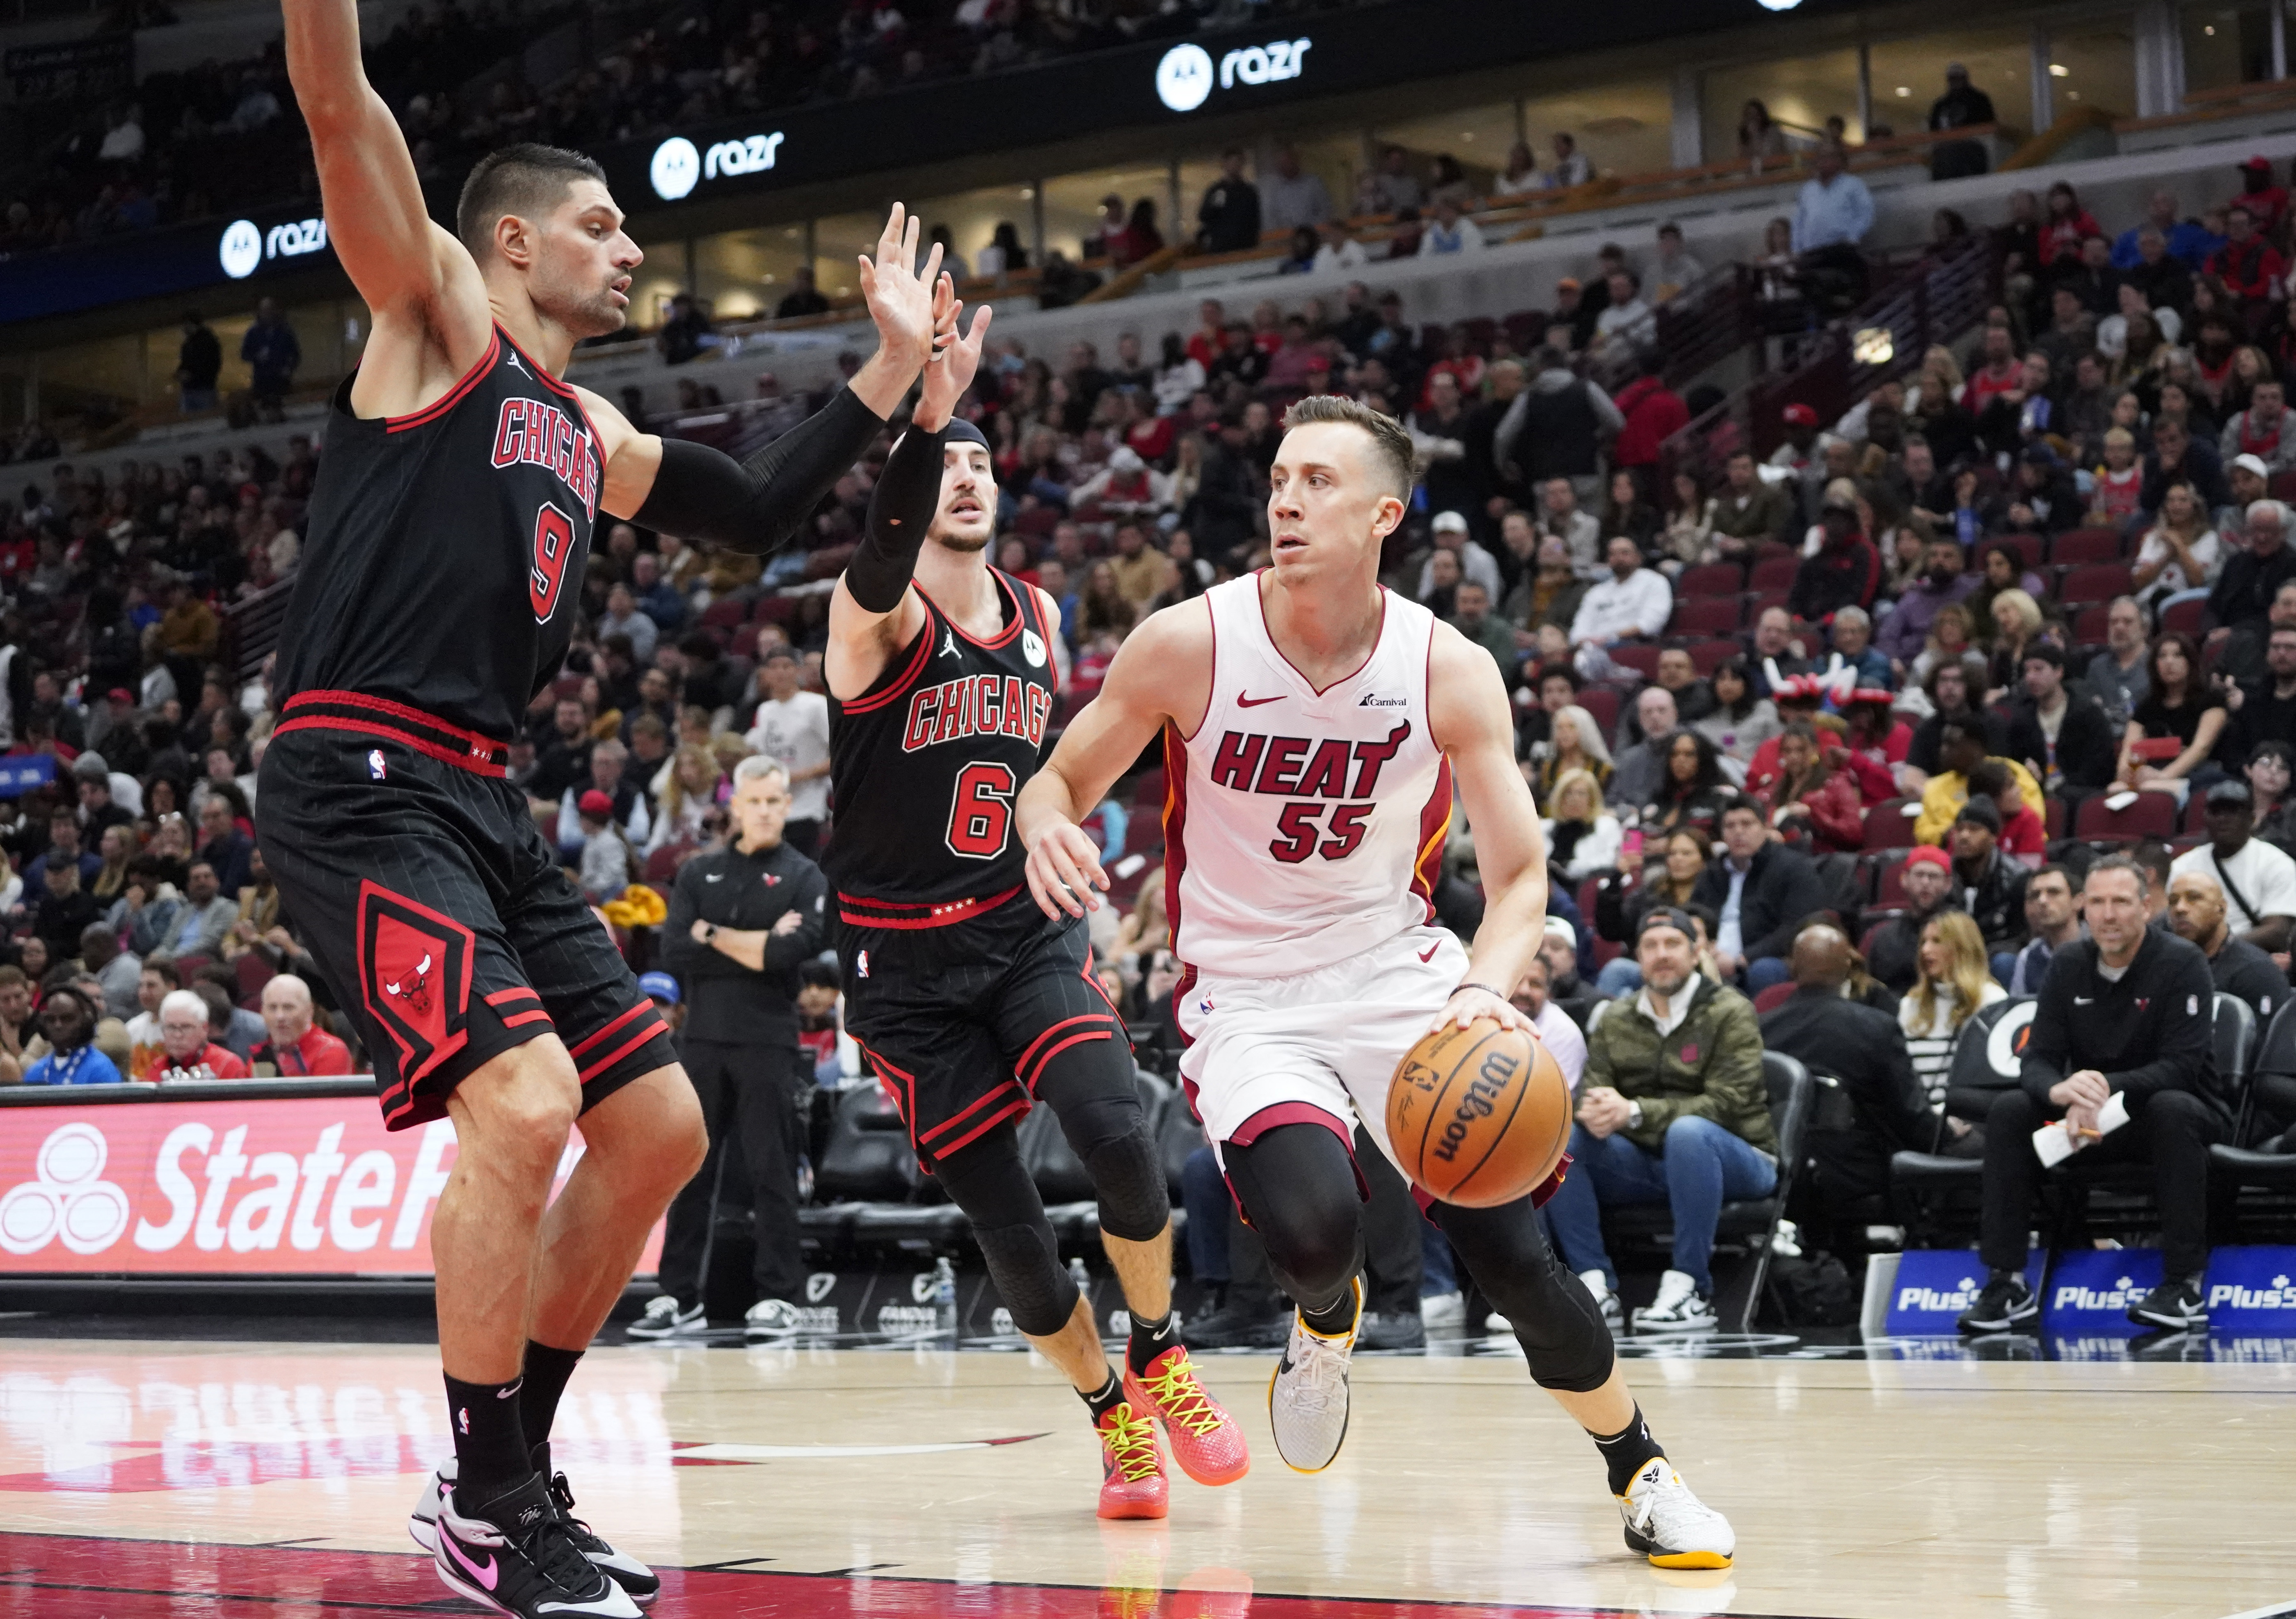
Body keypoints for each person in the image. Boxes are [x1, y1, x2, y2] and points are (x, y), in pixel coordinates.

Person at [263, 15, 952, 1603]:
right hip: (359, 776)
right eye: (598, 224)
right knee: (518, 1101)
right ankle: (497, 1503)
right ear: (511, 240)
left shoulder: (589, 432)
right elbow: (331, 97)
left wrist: (895, 367)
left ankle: (502, 1474)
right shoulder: (432, 317)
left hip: (482, 797)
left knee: (655, 1128)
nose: (631, 247)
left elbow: (763, 502)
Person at [1015, 394, 1734, 1564]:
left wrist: (1484, 991)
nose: (1284, 500)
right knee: (1317, 1229)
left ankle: (1641, 1470)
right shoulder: (1188, 641)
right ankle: (1322, 1315)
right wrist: (1047, 824)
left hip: (1399, 980)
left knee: (1513, 1260)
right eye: (1279, 478)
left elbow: (1514, 880)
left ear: (1383, 515)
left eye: (1316, 483)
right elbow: (1055, 779)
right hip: (1246, 995)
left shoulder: (1446, 669)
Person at [822, 330, 1243, 1522]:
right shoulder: (873, 624)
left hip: (1019, 932)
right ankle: (1110, 1415)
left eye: (981, 464)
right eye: (944, 464)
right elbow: (876, 551)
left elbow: (1051, 769)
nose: (966, 475)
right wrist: (924, 417)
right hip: (900, 967)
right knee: (1006, 1225)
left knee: (1120, 1130)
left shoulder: (1043, 614)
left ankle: (1157, 1348)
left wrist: (1053, 820)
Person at [1956, 857, 2227, 1335]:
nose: (2108, 915)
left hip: (2171, 1113)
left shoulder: (2182, 962)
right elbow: (2036, 1059)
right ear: (2083, 911)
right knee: (2011, 1110)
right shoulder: (2067, 964)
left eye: (2121, 902)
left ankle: (2184, 1283)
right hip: (2089, 1121)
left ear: (2146, 908)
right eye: (2097, 903)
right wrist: (2059, 1089)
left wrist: (2102, 1089)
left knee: (2171, 1108)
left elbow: (2181, 1068)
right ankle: (2007, 1283)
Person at [643, 758, 826, 1342]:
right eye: (756, 801)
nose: (767, 810)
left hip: (770, 1040)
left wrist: (713, 934)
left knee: (771, 1168)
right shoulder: (700, 874)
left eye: (776, 801)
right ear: (736, 807)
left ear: (786, 805)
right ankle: (677, 1296)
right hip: (702, 1042)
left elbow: (787, 954)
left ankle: (779, 1296)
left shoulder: (805, 875)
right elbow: (675, 950)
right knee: (687, 1171)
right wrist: (755, 939)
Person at [1546, 909, 1776, 1335]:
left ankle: (1691, 1287)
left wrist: (1632, 1112)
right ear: (1637, 957)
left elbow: (1727, 1104)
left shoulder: (1730, 1011)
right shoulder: (1616, 1018)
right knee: (1564, 1140)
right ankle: (1594, 1286)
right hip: (1652, 1162)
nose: (1662, 954)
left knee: (1687, 1134)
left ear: (1695, 952)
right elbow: (1594, 1093)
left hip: (1739, 1157)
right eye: (1651, 946)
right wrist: (1597, 1112)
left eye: (1672, 944)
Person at [1761, 922, 1951, 1230]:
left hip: (1781, 1178)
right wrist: (1952, 1132)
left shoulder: (1760, 1030)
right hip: (1860, 1179)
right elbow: (1914, 1122)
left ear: (1792, 968)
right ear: (1849, 967)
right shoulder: (1876, 1027)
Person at [1689, 794, 1825, 993]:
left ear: (1765, 827)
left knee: (1765, 971)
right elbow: (1694, 917)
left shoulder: (1793, 868)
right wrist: (1706, 950)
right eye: (1730, 826)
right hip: (1711, 959)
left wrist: (1743, 959)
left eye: (1747, 824)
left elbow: (1796, 926)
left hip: (1762, 961)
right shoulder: (1712, 874)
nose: (1738, 832)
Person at [1898, 908, 2002, 1119]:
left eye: (1937, 941)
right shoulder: (1910, 1005)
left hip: (1971, 1123)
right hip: (1922, 1124)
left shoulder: (1993, 1001)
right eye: (1923, 942)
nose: (1926, 950)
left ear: (1962, 948)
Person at [2170, 779, 2296, 951]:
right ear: (2205, 818)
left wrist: (2219, 948)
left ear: (2251, 819)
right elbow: (2169, 923)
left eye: (2232, 811)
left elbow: (2278, 932)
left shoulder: (2277, 864)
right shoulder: (2183, 866)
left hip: (2252, 960)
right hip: (2193, 955)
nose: (2223, 819)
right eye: (2216, 812)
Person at [742, 646, 831, 859]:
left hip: (809, 808)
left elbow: (842, 752)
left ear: (798, 671)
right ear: (764, 674)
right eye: (773, 667)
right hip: (773, 810)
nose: (780, 672)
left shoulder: (815, 706)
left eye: (787, 666)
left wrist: (801, 775)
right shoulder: (765, 711)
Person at [2115, 632, 2228, 799]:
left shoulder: (2211, 699)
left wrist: (2164, 777)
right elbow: (2130, 749)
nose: (2169, 662)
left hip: (2201, 772)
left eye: (2178, 655)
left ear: (2190, 662)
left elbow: (2201, 749)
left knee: (2157, 789)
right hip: (2154, 772)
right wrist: (2128, 775)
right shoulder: (2147, 706)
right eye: (2162, 656)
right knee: (2116, 789)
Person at [2167, 868, 2285, 1018]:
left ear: (2221, 908)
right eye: (2173, 901)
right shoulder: (2164, 967)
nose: (2180, 908)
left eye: (2194, 898)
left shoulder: (2257, 971)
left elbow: (2272, 1040)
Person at [2006, 643, 2118, 799]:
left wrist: (2063, 788)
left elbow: (2101, 768)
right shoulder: (2022, 719)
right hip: (2036, 797)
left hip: (2081, 797)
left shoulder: (2088, 714)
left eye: (2039, 669)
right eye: (2027, 671)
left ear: (2059, 672)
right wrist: (2027, 773)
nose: (2030, 678)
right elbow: (2013, 763)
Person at [1915, 723, 2041, 847]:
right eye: (1943, 744)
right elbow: (1922, 832)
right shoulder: (1934, 786)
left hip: (2017, 841)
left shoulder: (2009, 771)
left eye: (1953, 745)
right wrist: (1949, 834)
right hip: (1954, 848)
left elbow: (2037, 815)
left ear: (1976, 746)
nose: (1944, 750)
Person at [249, 972, 355, 1075]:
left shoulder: (331, 1051)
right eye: (272, 1008)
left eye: (288, 1007)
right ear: (262, 1012)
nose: (280, 1016)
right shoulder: (259, 1055)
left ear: (309, 1011)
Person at [2004, 864, 2084, 995]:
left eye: (2054, 892)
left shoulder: (2101, 950)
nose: (2042, 901)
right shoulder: (2029, 957)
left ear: (2079, 901)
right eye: (2035, 895)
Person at [20, 987, 122, 1086]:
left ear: (85, 1023)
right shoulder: (35, 1073)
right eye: (51, 1020)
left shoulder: (101, 1069)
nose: (58, 1025)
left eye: (67, 1019)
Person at [154, 985, 251, 1081]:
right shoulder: (156, 1068)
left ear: (205, 1028)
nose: (178, 1035)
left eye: (186, 1027)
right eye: (171, 1027)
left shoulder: (228, 1065)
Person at [2084, 597, 2152, 730]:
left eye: (2128, 622)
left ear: (2144, 630)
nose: (2119, 627)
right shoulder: (2097, 668)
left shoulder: (2156, 665)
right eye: (2114, 622)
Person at [1543, 768, 1621, 882]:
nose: (1575, 799)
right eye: (1568, 793)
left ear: (1592, 799)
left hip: (1585, 887)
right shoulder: (1544, 828)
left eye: (1582, 794)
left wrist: (1568, 867)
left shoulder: (1607, 826)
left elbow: (1609, 862)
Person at [1928, 63, 1996, 180]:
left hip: (1974, 146)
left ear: (1965, 78)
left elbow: (1989, 124)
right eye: (1952, 78)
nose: (1955, 82)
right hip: (1946, 150)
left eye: (1958, 77)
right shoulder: (1941, 105)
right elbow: (1933, 131)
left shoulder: (1980, 100)